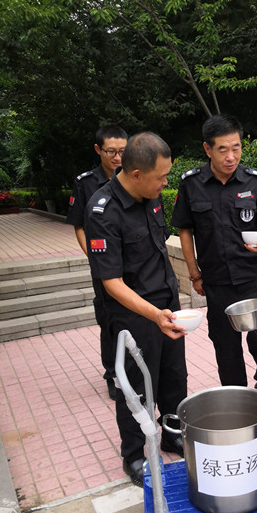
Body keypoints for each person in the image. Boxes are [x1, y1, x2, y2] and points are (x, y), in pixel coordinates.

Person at [85, 132, 188, 487]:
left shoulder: (151, 196)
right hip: (133, 316)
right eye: (161, 177)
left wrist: (170, 306)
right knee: (136, 387)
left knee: (174, 378)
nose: (165, 183)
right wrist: (153, 314)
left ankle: (172, 434)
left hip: (166, 308)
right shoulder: (103, 211)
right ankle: (133, 453)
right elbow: (111, 282)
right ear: (136, 174)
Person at [171, 114, 257, 395]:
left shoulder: (253, 181)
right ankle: (239, 398)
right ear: (207, 149)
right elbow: (185, 230)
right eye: (223, 150)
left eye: (236, 148)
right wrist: (194, 273)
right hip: (217, 282)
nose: (231, 157)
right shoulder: (191, 183)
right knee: (226, 347)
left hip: (253, 279)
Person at [66, 125, 128, 400]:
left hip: (132, 264)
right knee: (109, 319)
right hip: (104, 266)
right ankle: (113, 373)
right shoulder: (86, 182)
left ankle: (134, 367)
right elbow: (79, 225)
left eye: (123, 151)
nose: (118, 157)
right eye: (111, 151)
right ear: (98, 150)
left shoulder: (134, 176)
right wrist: (94, 256)